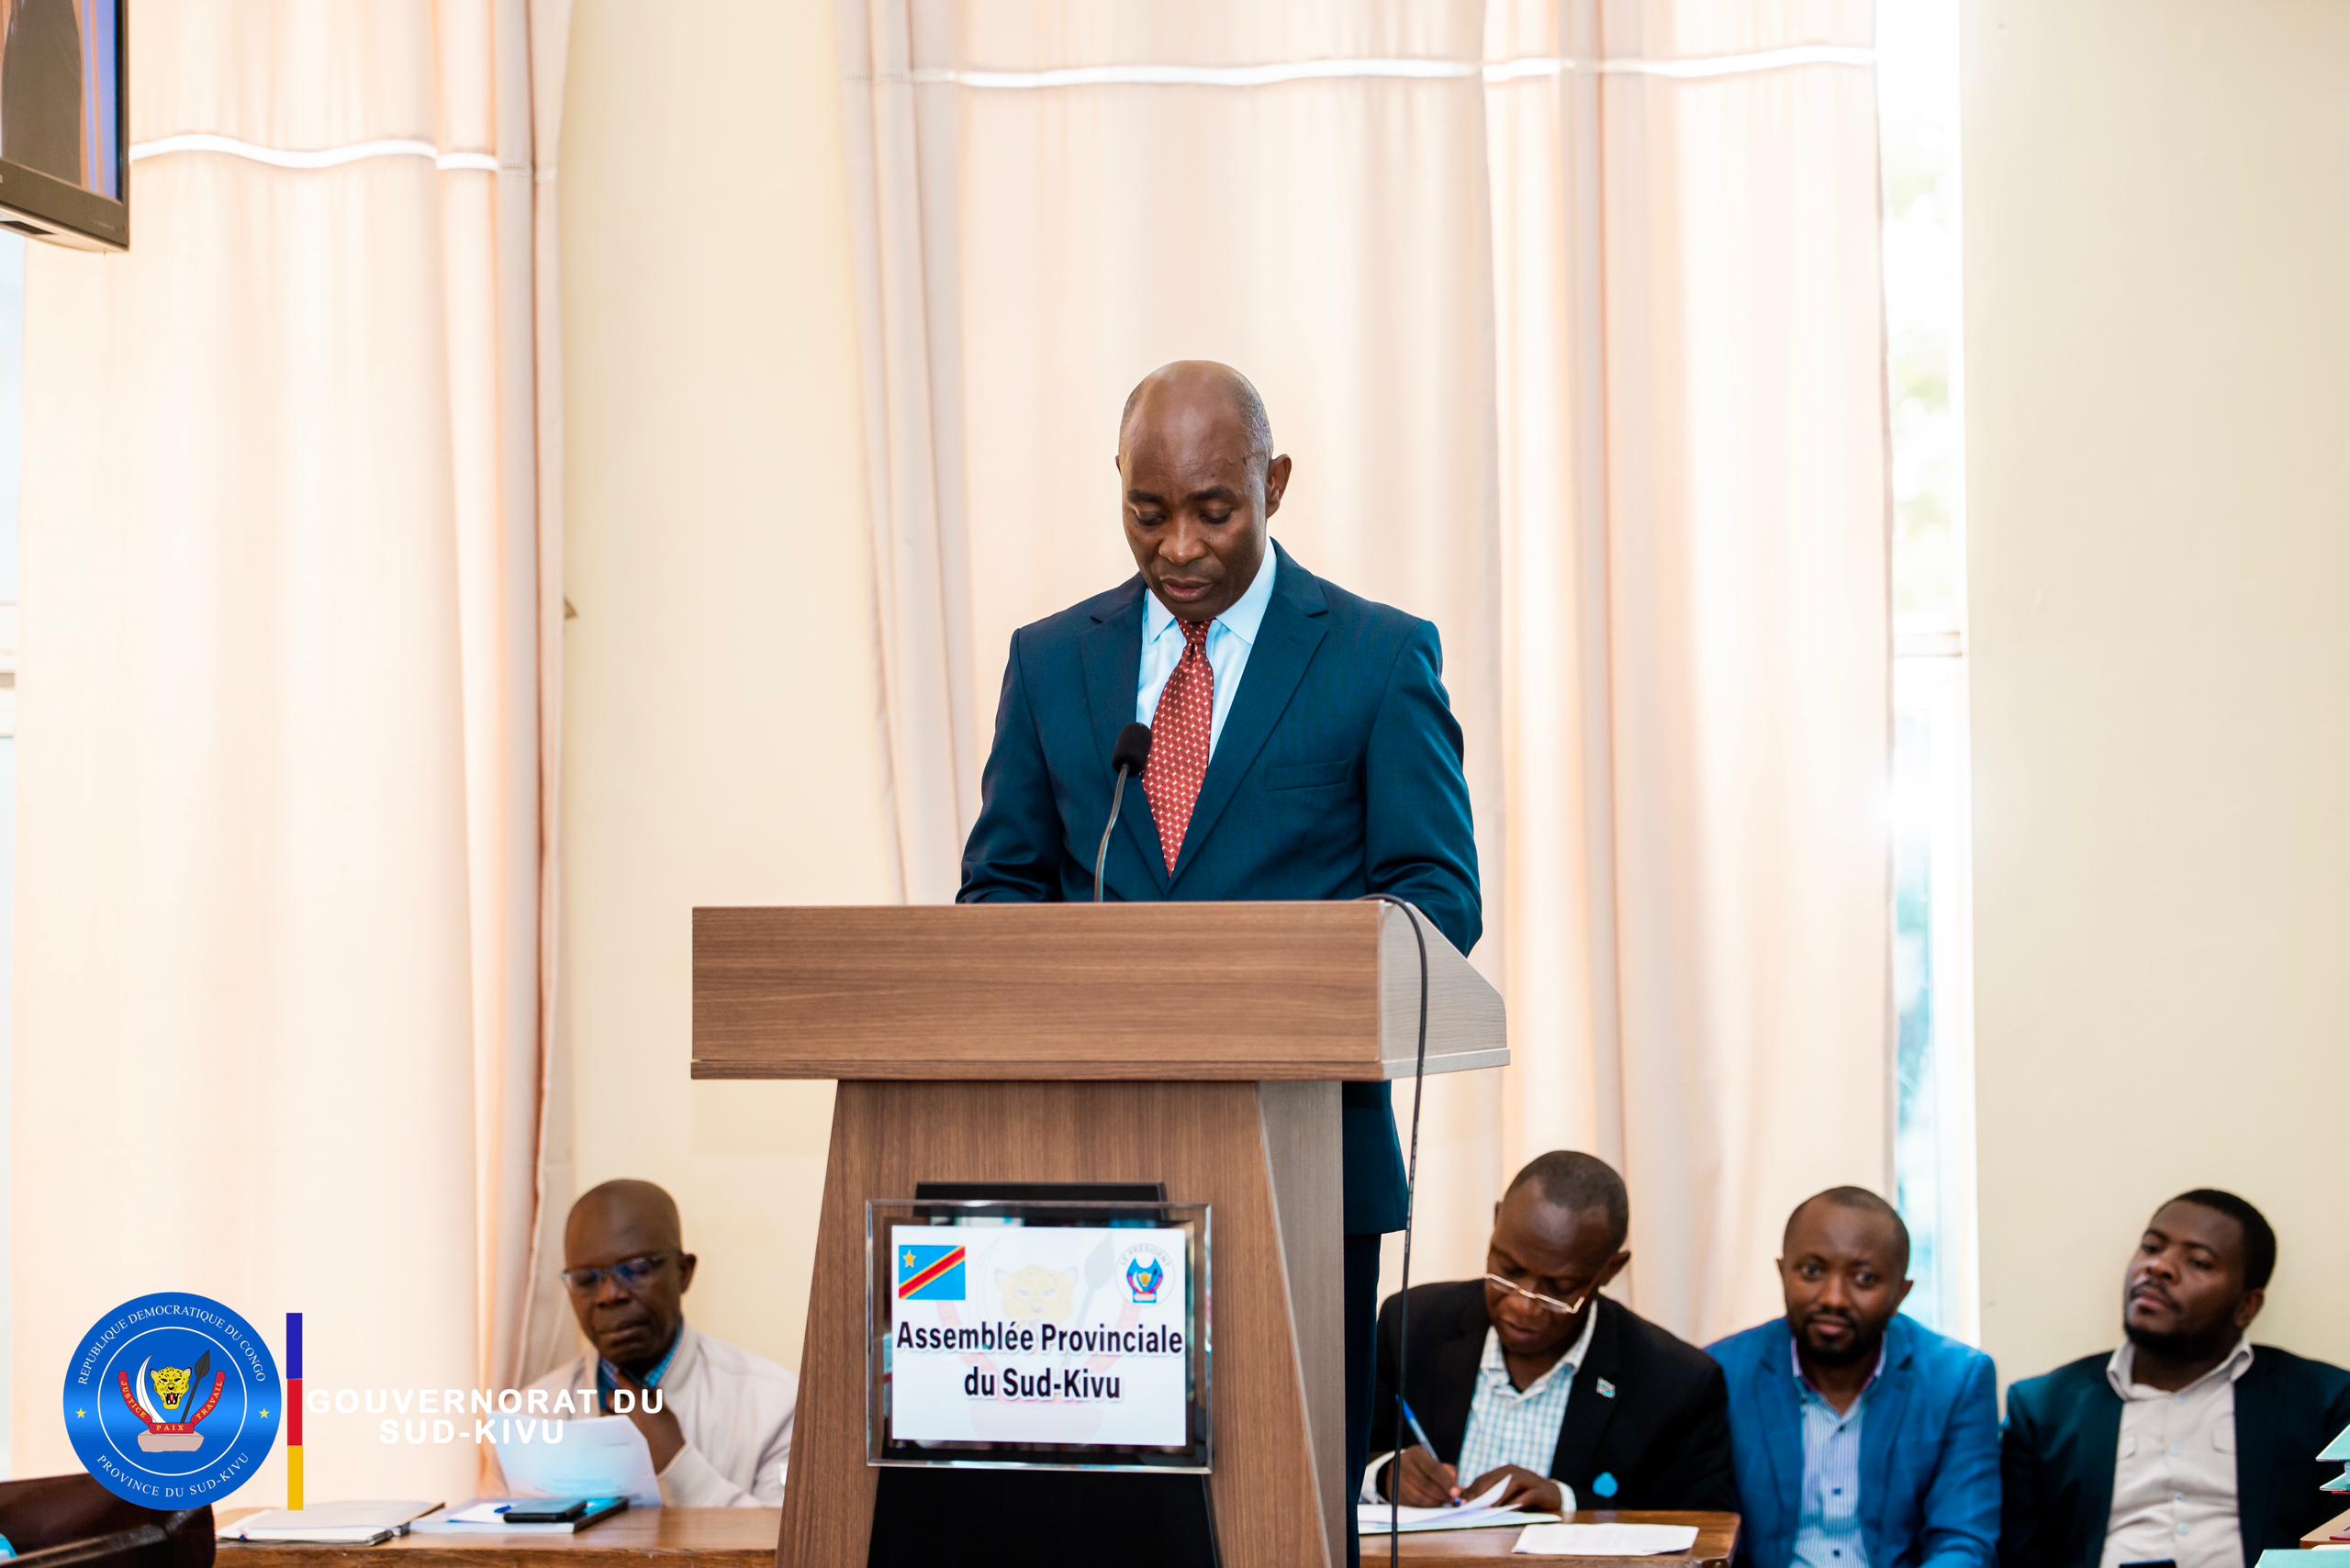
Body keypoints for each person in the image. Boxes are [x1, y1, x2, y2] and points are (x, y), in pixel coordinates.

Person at [958, 360, 1481, 1564]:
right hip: (1086, 1169)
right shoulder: (1053, 660)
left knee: (1279, 1519)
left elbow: (1437, 898)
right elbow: (999, 894)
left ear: (1274, 485)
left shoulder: (1375, 654)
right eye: (1147, 514)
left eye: (1214, 511)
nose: (1179, 548)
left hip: (1304, 1160)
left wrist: (1254, 981)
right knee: (1095, 1526)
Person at [1365, 1151, 1737, 1516]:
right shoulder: (1412, 1324)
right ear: (1496, 1222)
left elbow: (1706, 1529)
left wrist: (1567, 1503)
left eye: (1559, 1289)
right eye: (1509, 1271)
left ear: (1610, 1269)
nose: (1523, 1305)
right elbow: (1345, 1450)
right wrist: (1384, 1473)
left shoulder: (1676, 1383)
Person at [1999, 1189, 2350, 1568]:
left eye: (2198, 1262)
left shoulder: (2323, 1402)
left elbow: (2338, 1550)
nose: (2159, 1267)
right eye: (2151, 1247)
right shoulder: (2044, 1409)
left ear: (2246, 1306)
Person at [1711, 1187, 1998, 1568]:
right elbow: (1705, 1535)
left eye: (1864, 1278)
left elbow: (1964, 1542)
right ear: (1782, 1272)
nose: (1834, 1298)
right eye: (1812, 1271)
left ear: (1901, 1293)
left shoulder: (1956, 1379)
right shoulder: (1721, 1373)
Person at [522, 1179, 798, 1506]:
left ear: (683, 1272)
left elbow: (787, 1537)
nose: (609, 1295)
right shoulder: (528, 1417)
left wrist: (677, 1467)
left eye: (635, 1269)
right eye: (586, 1279)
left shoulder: (777, 1407)